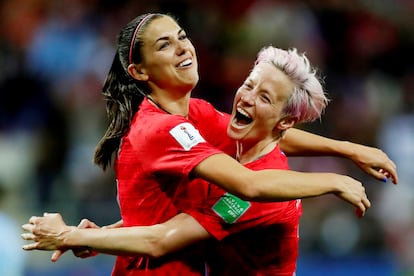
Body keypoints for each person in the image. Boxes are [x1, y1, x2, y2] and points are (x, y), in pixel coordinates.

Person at [22, 13, 397, 275]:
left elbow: (174, 231)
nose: (247, 98)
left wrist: (87, 236)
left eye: (182, 37)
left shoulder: (258, 187)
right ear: (139, 71)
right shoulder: (179, 125)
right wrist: (340, 168)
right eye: (249, 85)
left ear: (282, 120)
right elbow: (249, 164)